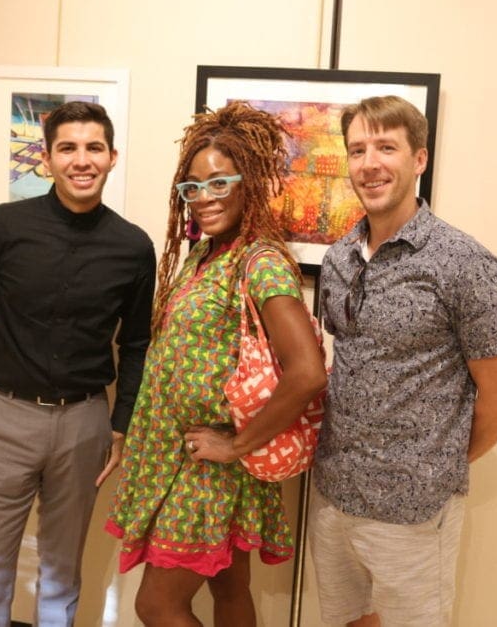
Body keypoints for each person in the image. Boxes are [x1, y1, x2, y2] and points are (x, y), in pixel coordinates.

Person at [106, 101, 327, 626]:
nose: (202, 199)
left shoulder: (260, 262)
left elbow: (308, 372)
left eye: (218, 184)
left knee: (156, 605)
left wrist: (237, 445)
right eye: (191, 187)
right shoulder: (204, 256)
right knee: (231, 591)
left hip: (208, 468)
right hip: (180, 459)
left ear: (248, 183)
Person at [310, 95, 497, 626]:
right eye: (358, 150)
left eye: (386, 147)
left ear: (419, 160)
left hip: (412, 510)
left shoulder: (465, 263)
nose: (370, 163)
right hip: (334, 495)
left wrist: (432, 466)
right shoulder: (338, 259)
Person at [0, 101, 156, 626]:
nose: (81, 160)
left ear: (112, 157)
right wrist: (17, 360)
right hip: (7, 419)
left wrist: (121, 424)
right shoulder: (3, 227)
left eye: (93, 148)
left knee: (62, 569)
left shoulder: (133, 246)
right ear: (47, 158)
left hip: (85, 425)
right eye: (67, 148)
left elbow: (136, 344)